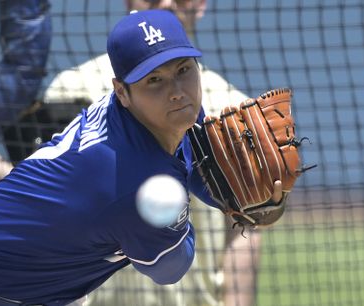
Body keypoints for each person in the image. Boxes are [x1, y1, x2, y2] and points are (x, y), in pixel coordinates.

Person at [0, 9, 281, 306]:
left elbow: (190, 162)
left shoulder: (158, 116)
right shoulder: (127, 182)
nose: (176, 91)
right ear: (122, 91)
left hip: (26, 286)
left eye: (183, 70)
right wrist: (213, 204)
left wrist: (244, 204)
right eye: (154, 80)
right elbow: (169, 269)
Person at [43, 1, 262, 305]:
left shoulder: (231, 107)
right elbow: (47, 210)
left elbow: (244, 229)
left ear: (200, 4)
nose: (167, 1)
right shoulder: (72, 89)